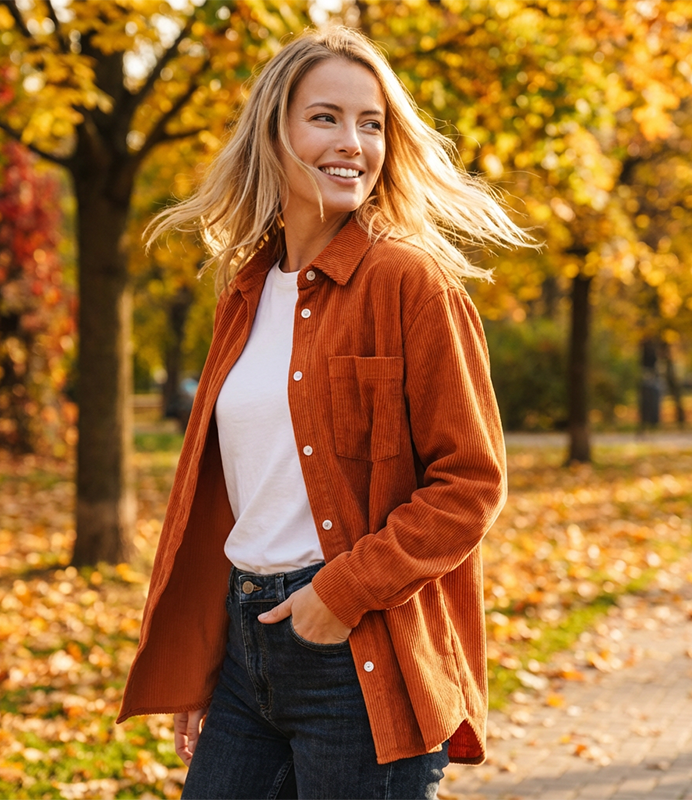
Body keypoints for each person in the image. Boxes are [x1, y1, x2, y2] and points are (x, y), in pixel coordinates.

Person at [118, 26, 535, 800]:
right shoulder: (244, 293)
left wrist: (337, 598)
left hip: (357, 648)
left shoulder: (412, 284)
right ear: (272, 134)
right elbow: (235, 499)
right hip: (250, 650)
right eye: (325, 118)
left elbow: (470, 484)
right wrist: (210, 659)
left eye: (370, 123)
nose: (354, 143)